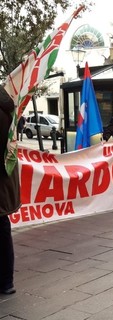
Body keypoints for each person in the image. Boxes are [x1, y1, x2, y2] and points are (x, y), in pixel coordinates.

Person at [0, 85, 21, 294]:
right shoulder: (7, 109)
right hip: (5, 182)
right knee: (2, 229)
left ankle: (6, 281)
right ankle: (6, 281)